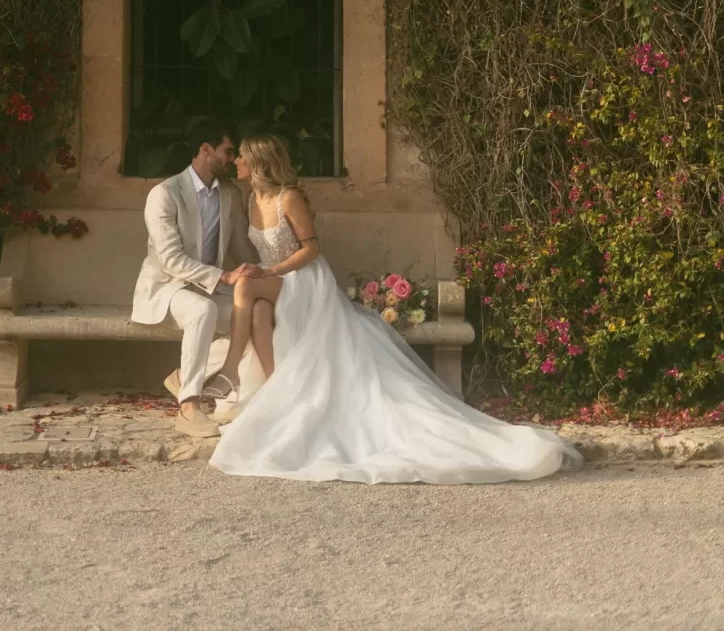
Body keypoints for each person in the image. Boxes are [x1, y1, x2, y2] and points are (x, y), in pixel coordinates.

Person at [209, 134, 583, 484]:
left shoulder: (288, 198)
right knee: (256, 311)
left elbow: (311, 250)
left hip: (303, 279)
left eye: (241, 155)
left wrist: (269, 270)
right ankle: (276, 391)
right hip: (276, 283)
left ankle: (229, 370)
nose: (236, 161)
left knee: (245, 286)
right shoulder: (249, 199)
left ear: (259, 161)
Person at [130, 117, 259, 439]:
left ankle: (189, 377)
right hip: (167, 288)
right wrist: (225, 276)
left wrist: (271, 274)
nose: (232, 159)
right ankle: (189, 406)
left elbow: (242, 247)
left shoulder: (230, 194)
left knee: (260, 314)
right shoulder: (164, 194)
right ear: (206, 149)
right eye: (228, 151)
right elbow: (171, 259)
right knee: (203, 311)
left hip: (210, 287)